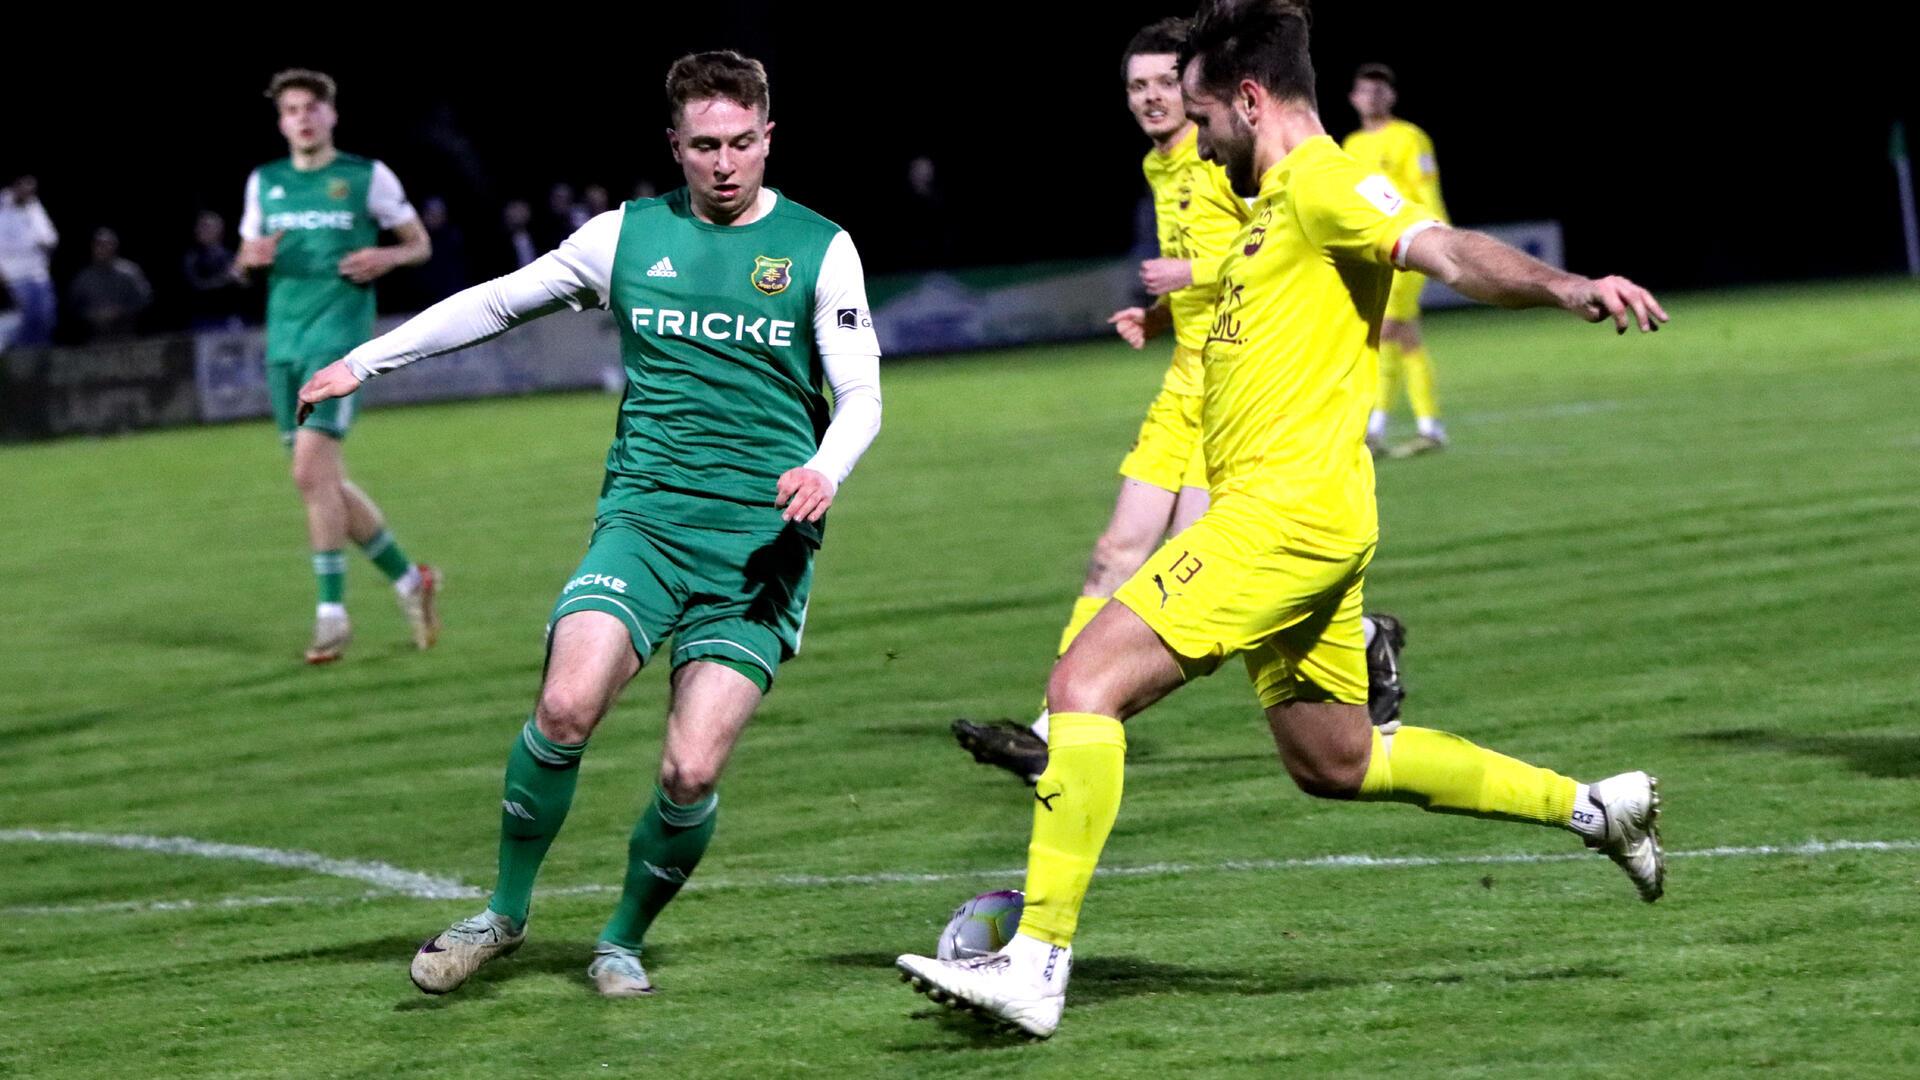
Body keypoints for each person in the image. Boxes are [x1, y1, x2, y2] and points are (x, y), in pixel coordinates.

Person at [897, 0, 1669, 1039]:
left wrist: (1568, 286)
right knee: (1338, 763)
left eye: (1207, 115)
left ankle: (1033, 964)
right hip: (1313, 517)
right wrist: (1179, 306)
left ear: (1252, 101)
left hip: (1280, 516)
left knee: (1085, 682)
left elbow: (1442, 250)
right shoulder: (1269, 204)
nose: (1197, 137)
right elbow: (1270, 301)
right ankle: (1597, 808)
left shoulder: (1326, 178)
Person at [296, 50, 884, 999]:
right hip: (644, 521)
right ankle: (502, 912)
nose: (726, 164)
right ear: (674, 146)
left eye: (743, 143)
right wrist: (368, 361)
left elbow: (861, 394)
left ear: (769, 137)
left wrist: (826, 465)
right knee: (566, 707)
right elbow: (497, 301)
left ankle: (620, 938)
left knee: (691, 772)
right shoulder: (627, 238)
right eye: (705, 146)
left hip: (761, 543)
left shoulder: (822, 247)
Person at [951, 16, 1407, 786]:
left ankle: (1068, 724)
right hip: (1184, 381)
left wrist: (1186, 280)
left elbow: (1270, 248)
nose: (1152, 99)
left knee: (1201, 574)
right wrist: (1160, 314)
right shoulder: (1161, 163)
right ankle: (1055, 721)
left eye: (1166, 84)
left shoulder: (1226, 155)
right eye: (1137, 87)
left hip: (1242, 385)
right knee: (1114, 552)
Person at [233, 68, 440, 664]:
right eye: (291, 109)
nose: (301, 118)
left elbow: (418, 242)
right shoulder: (264, 182)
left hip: (339, 344)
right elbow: (245, 264)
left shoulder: (364, 176)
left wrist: (388, 255)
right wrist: (249, 261)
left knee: (309, 474)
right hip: (284, 342)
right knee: (323, 482)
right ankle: (410, 581)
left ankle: (331, 615)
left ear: (330, 115)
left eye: (311, 107)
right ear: (281, 121)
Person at [1345, 62, 1451, 456]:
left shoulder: (1410, 137)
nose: (1372, 97)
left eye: (1379, 91)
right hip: (1373, 250)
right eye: (1364, 91)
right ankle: (1429, 427)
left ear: (1391, 96)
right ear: (1353, 98)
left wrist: (1440, 237)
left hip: (1409, 243)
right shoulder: (1352, 146)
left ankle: (1376, 429)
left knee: (1385, 331)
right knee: (1403, 338)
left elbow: (1428, 190)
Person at [0, 175, 59, 347]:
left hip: (38, 274)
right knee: (20, 323)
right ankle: (20, 364)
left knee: (45, 318)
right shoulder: (2, 208)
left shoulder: (33, 206)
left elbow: (50, 238)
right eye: (25, 188)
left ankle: (39, 361)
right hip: (13, 276)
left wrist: (44, 243)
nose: (29, 193)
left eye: (32, 190)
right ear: (15, 186)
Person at [67, 227, 151, 341]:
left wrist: (120, 312)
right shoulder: (83, 278)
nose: (103, 249)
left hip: (126, 335)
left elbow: (144, 299)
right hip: (94, 339)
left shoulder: (129, 272)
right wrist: (93, 315)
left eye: (107, 244)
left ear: (115, 246)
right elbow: (74, 308)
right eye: (99, 244)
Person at [183, 210, 244, 330]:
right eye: (201, 227)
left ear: (220, 229)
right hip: (202, 319)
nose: (203, 231)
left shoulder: (230, 256)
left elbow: (243, 284)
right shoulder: (192, 257)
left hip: (230, 319)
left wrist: (242, 278)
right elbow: (195, 285)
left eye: (208, 227)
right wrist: (226, 278)